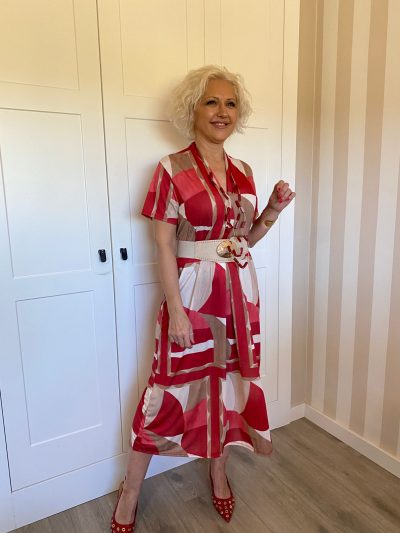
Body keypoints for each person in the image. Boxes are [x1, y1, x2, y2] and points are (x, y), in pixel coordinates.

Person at [110, 65, 295, 532]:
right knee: (168, 386)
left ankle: (218, 472)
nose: (222, 111)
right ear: (193, 109)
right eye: (212, 101)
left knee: (229, 384)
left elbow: (245, 241)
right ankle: (130, 491)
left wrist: (272, 210)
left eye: (230, 103)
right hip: (192, 294)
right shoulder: (171, 169)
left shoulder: (244, 172)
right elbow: (164, 245)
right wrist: (175, 311)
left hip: (239, 294)